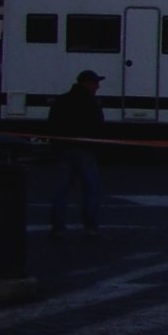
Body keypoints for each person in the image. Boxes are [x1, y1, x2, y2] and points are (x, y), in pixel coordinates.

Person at [48, 69, 107, 237]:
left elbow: (52, 124)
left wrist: (56, 147)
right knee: (91, 189)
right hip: (86, 149)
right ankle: (90, 226)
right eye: (95, 83)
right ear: (86, 83)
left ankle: (58, 226)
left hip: (65, 148)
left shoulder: (62, 101)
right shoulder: (91, 103)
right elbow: (98, 127)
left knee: (61, 190)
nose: (98, 86)